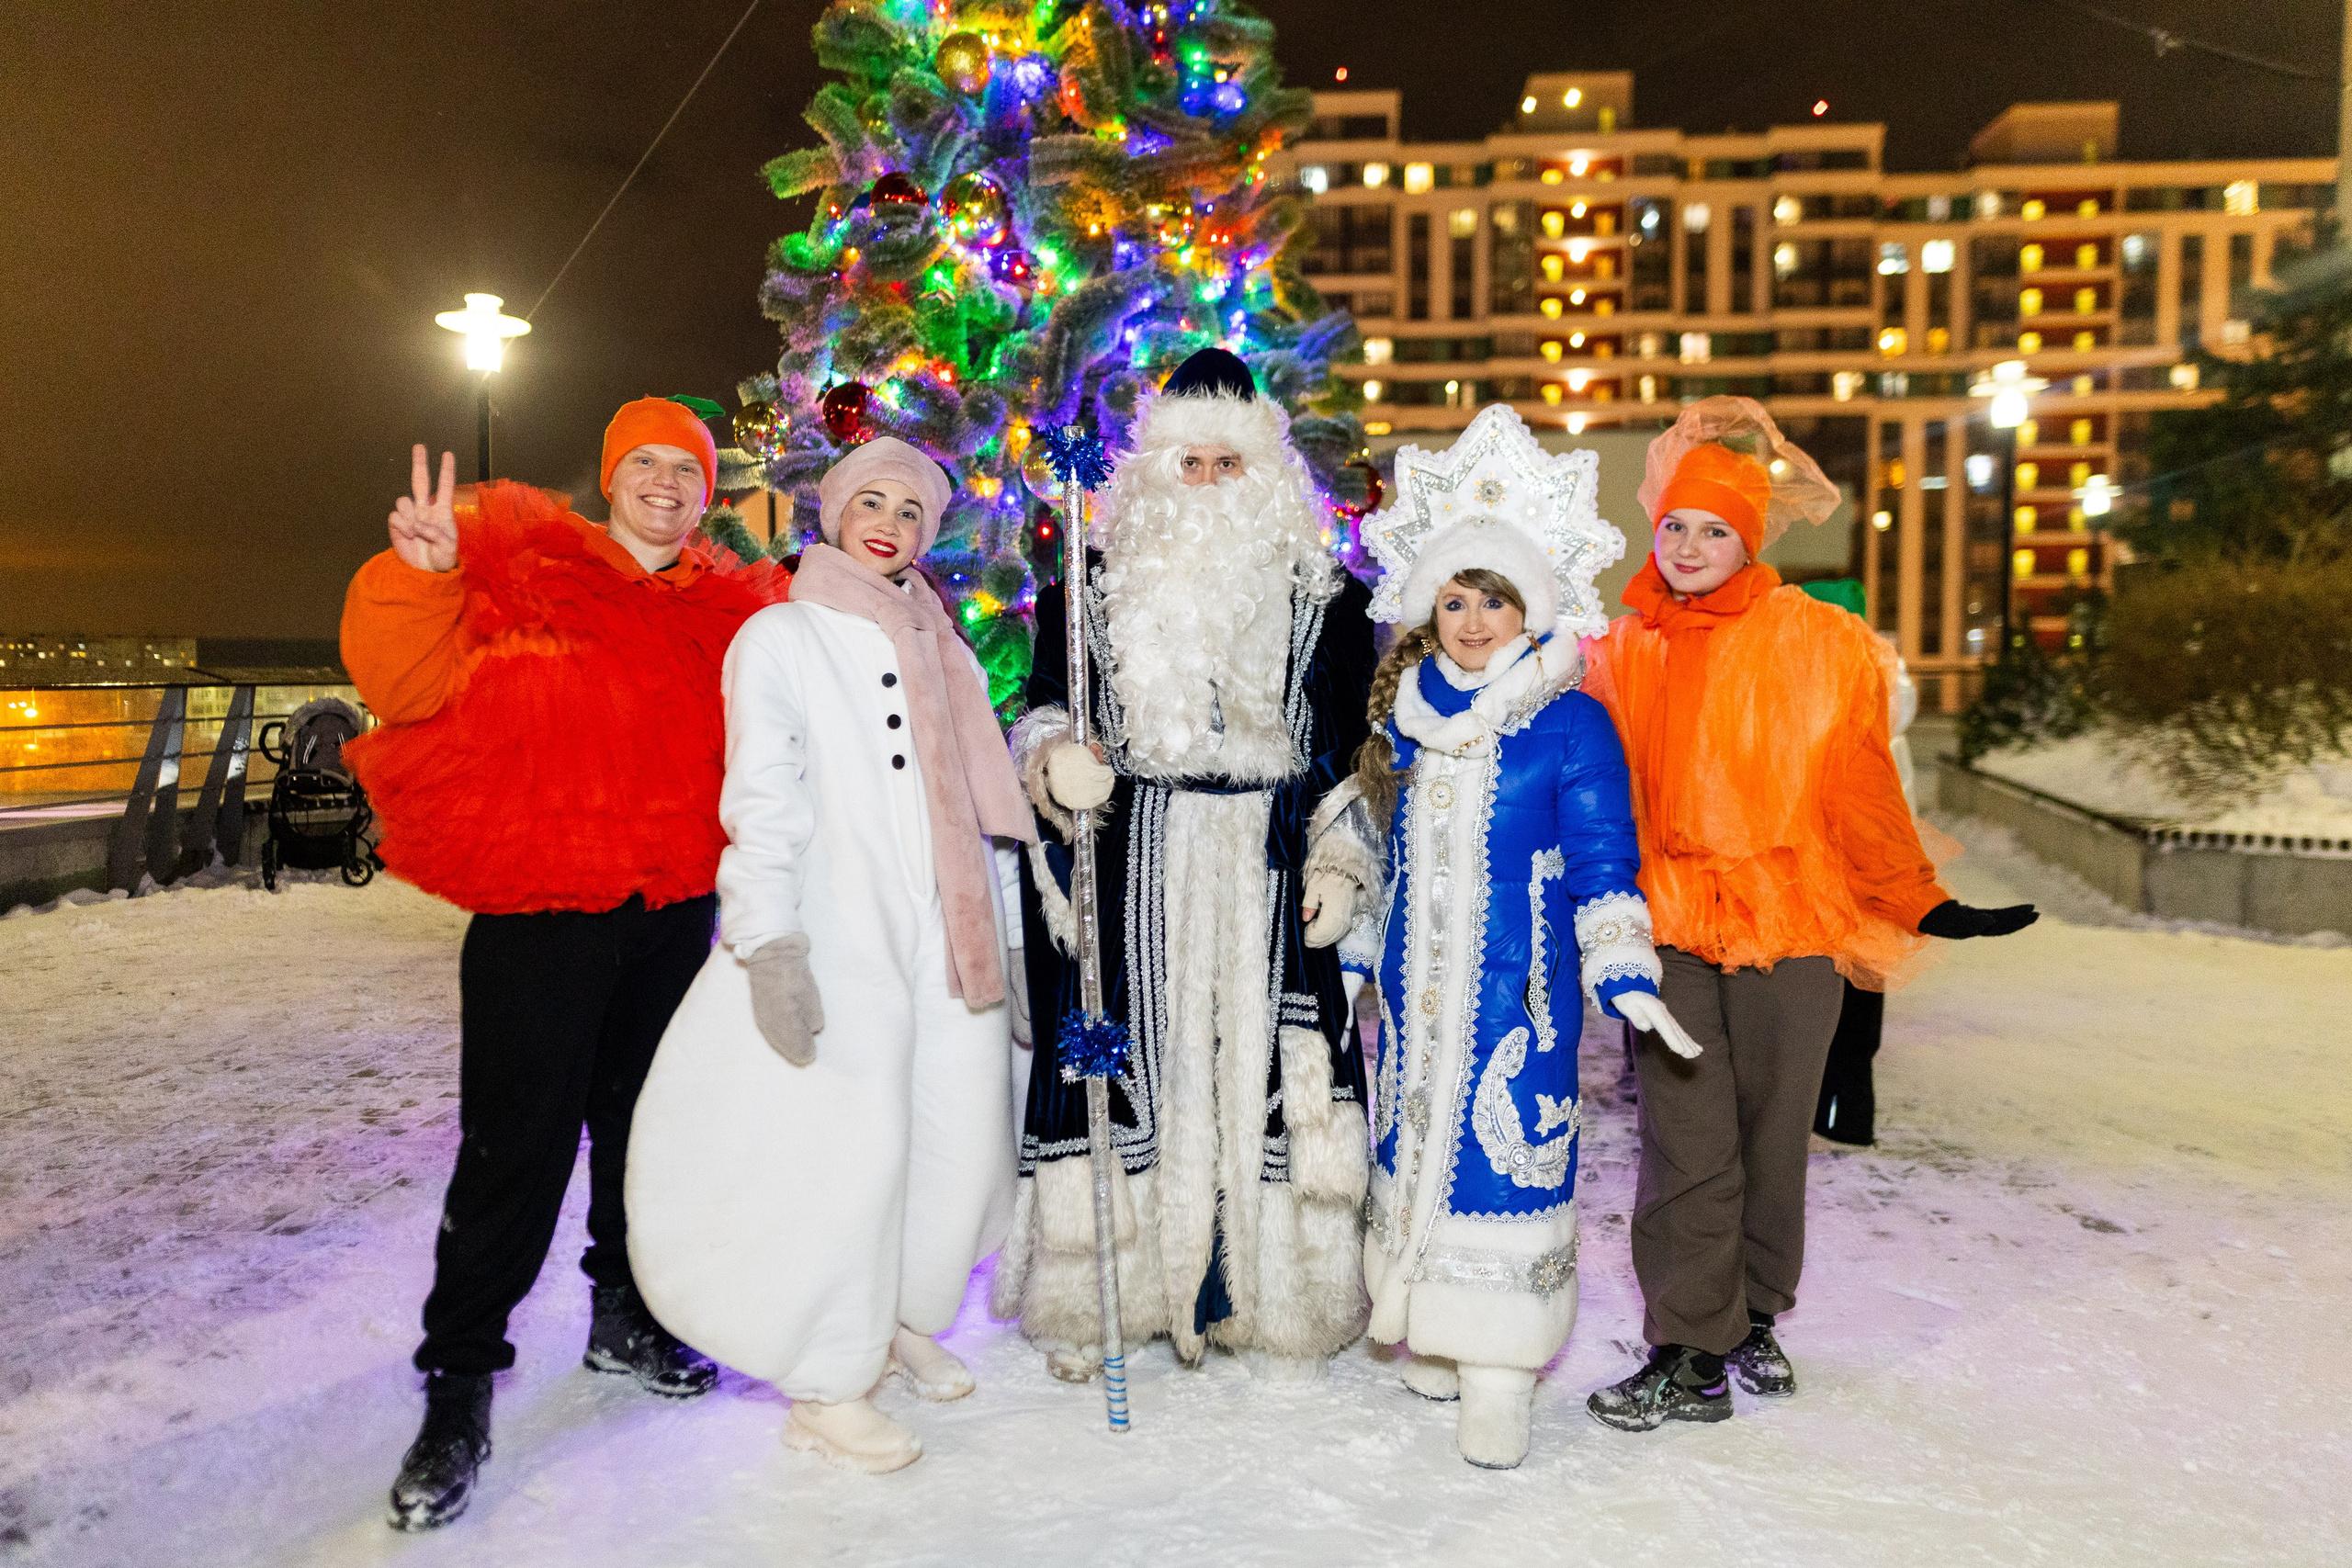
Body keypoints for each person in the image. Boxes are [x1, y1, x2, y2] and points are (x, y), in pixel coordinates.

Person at [343, 398, 786, 1530]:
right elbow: (402, 684)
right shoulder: (526, 571)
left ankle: (627, 1317)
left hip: (671, 910)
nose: (666, 484)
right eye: (643, 464)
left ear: (705, 493)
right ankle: (458, 1385)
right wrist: (424, 577)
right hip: (541, 910)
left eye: (685, 471)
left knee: (646, 1139)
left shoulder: (729, 612)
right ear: (609, 477)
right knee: (514, 1152)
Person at [1578, 398, 2037, 1431]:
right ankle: (1686, 1348)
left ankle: (1752, 1318)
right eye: (1676, 528)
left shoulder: (1822, 642)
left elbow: (1861, 787)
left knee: (1771, 1134)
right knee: (1685, 1144)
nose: (1690, 546)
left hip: (1794, 925)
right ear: (1655, 533)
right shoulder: (1619, 650)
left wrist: (1921, 899)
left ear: (1747, 541)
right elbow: (1575, 775)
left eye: (1715, 531)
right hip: (1674, 929)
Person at [623, 437, 1035, 1473]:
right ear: (837, 510)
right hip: (844, 928)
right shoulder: (782, 636)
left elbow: (977, 809)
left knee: (954, 1140)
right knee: (850, 1153)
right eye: (871, 499)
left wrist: (1011, 929)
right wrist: (768, 940)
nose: (888, 519)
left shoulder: (939, 638)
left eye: (910, 507)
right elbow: (764, 795)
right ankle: (827, 1376)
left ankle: (897, 1316)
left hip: (948, 930)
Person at [990, 348, 1381, 1382]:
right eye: (1190, 465)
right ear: (1155, 473)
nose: (1206, 486)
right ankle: (1103, 1298)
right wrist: (1052, 758)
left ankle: (1275, 1299)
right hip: (1133, 855)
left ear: (1267, 476)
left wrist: (1341, 855)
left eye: (1227, 466)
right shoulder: (1088, 579)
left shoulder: (1327, 597)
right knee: (1129, 1064)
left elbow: (1352, 750)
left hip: (1268, 851)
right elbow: (1042, 705)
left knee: (1271, 1067)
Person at [1346, 403, 1704, 1468]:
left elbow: (1602, 859)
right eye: (1453, 599)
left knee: (1504, 1162)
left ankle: (1498, 1369)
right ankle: (1431, 1328)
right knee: (1415, 1149)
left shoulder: (1570, 720)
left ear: (1529, 609)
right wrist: (1352, 938)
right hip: (1415, 997)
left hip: (1521, 996)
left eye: (1491, 600)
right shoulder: (1401, 717)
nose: (1469, 620)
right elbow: (1380, 848)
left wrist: (1625, 973)